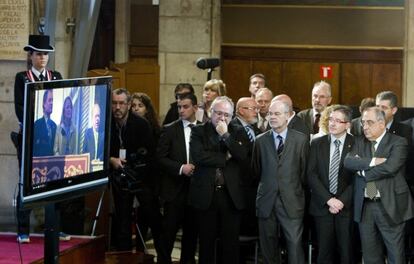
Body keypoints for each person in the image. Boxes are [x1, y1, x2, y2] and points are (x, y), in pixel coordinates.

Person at [344, 107, 414, 264]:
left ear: (382, 124)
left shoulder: (399, 142)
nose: (365, 127)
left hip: (391, 205)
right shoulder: (359, 141)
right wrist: (373, 162)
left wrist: (362, 172)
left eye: (369, 122)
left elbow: (390, 168)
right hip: (365, 207)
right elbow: (348, 162)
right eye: (363, 122)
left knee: (395, 254)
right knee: (370, 255)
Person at [13, 34, 65, 243]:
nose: (42, 58)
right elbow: (18, 107)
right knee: (26, 182)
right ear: (31, 56)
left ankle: (54, 227)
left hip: (52, 137)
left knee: (56, 182)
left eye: (45, 54)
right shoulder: (22, 77)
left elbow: (61, 101)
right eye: (38, 54)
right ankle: (23, 229)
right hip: (30, 138)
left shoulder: (55, 76)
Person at [189, 96, 248, 264]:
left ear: (232, 116)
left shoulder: (237, 131)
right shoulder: (198, 131)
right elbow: (199, 157)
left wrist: (226, 135)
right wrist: (226, 157)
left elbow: (242, 155)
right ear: (210, 112)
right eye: (219, 113)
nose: (222, 118)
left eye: (227, 115)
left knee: (230, 246)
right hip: (206, 195)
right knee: (206, 245)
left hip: (230, 196)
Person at [252, 99, 309, 264]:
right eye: (270, 113)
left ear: (288, 116)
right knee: (268, 246)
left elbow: (304, 173)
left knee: (294, 244)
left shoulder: (301, 140)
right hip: (266, 201)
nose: (272, 117)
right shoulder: (260, 140)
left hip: (292, 200)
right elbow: (256, 171)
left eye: (277, 113)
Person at [109, 88, 162, 254]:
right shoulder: (106, 122)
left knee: (153, 217)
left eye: (121, 103)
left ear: (128, 105)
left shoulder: (141, 124)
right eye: (114, 103)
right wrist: (111, 160)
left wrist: (137, 170)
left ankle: (162, 255)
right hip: (119, 176)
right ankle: (124, 256)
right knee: (123, 222)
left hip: (142, 177)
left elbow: (150, 154)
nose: (117, 107)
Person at [308, 105, 355, 264]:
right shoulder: (317, 143)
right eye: (331, 120)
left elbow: (358, 179)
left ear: (348, 124)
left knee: (347, 253)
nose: (332, 124)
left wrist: (341, 201)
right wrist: (329, 199)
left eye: (338, 121)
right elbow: (311, 174)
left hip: (346, 207)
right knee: (323, 254)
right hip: (322, 206)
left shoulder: (357, 143)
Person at [157, 93, 199, 264]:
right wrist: (181, 168)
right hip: (174, 191)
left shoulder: (204, 129)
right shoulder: (169, 129)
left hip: (196, 191)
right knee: (168, 234)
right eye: (179, 107)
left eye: (185, 106)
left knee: (191, 235)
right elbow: (160, 158)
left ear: (195, 108)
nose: (181, 110)